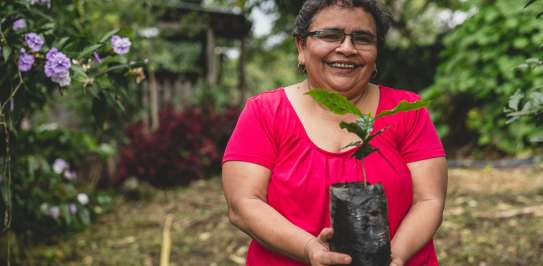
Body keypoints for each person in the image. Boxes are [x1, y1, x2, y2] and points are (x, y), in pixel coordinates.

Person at [222, 0, 448, 265]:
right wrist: (309, 249)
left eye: (362, 39)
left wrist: (393, 257)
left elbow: (430, 199)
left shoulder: (406, 110)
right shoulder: (265, 112)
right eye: (330, 35)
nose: (347, 48)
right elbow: (243, 204)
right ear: (301, 46)